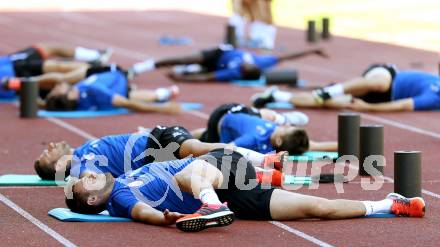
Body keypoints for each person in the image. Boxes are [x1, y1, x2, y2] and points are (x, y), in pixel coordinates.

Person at [64, 149, 425, 232]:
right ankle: (388, 203)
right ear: (94, 199)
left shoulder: (123, 178)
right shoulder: (120, 198)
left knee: (188, 171)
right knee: (318, 209)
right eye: (87, 182)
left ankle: (209, 205)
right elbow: (141, 213)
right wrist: (165, 218)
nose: (92, 175)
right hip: (232, 194)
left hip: (218, 166)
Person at [34, 126, 283, 182]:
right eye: (48, 154)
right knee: (199, 151)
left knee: (203, 160)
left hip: (155, 149)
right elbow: (92, 179)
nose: (50, 146)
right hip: (156, 148)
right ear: (57, 165)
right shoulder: (81, 164)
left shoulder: (82, 152)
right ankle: (264, 161)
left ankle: (262, 175)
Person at [251, 64, 440, 112]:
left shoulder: (435, 97)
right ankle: (330, 90)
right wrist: (369, 109)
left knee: (327, 103)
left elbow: (404, 105)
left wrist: (368, 107)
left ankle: (277, 95)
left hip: (382, 99)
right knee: (381, 84)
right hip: (387, 75)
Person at [191, 103, 337, 155]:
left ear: (279, 141)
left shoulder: (254, 140)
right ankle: (282, 117)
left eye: (286, 128)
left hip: (225, 128)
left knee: (205, 138)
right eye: (287, 125)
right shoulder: (261, 137)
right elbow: (228, 149)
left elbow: (227, 149)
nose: (285, 127)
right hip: (224, 114)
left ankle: (190, 136)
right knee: (265, 115)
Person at [141, 44, 327, 82]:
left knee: (189, 70)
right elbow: (287, 57)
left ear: (245, 74)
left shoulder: (234, 73)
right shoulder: (261, 61)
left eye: (247, 69)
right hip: (219, 52)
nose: (247, 65)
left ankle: (186, 70)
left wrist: (181, 78)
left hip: (215, 65)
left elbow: (208, 77)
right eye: (250, 66)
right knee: (184, 59)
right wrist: (312, 51)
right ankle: (150, 64)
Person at [42, 66, 180, 113]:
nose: (56, 86)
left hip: (109, 77)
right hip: (117, 76)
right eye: (56, 90)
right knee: (130, 95)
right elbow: (127, 103)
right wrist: (161, 109)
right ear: (70, 96)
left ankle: (159, 93)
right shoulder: (94, 91)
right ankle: (161, 94)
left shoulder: (78, 93)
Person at [0, 43, 112, 98]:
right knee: (59, 70)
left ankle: (95, 64)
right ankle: (96, 63)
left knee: (59, 69)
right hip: (13, 69)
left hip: (11, 67)